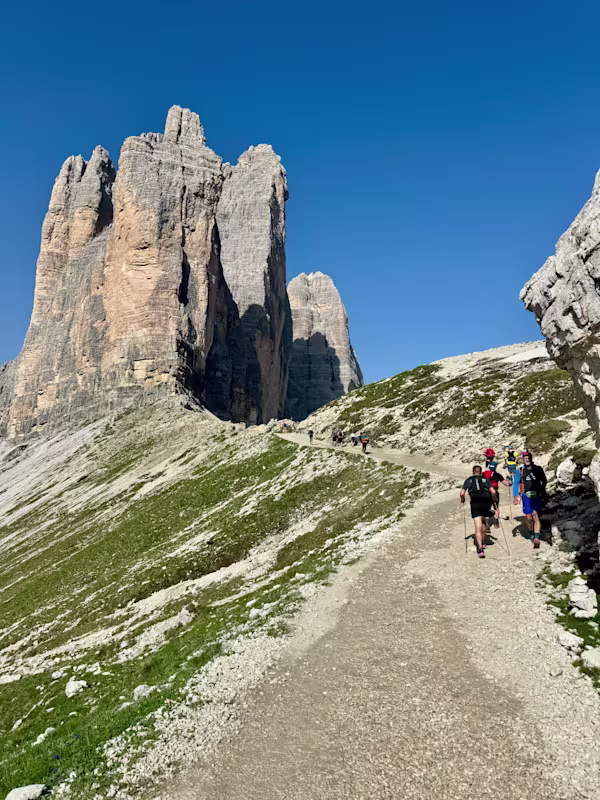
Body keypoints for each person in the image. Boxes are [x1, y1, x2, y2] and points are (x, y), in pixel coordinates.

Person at [460, 465, 497, 558]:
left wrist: (462, 499)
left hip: (475, 504)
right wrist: (494, 499)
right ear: (481, 472)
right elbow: (493, 491)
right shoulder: (485, 480)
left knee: (478, 525)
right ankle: (483, 541)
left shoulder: (469, 480)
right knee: (484, 521)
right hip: (485, 503)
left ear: (473, 472)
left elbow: (462, 493)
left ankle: (480, 548)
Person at [518, 451, 548, 548]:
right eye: (525, 458)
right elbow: (516, 483)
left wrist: (541, 489)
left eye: (528, 458)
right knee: (528, 517)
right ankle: (530, 532)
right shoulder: (521, 470)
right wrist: (516, 495)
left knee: (535, 515)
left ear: (531, 458)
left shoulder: (538, 469)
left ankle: (536, 536)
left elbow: (544, 480)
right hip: (526, 495)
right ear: (523, 460)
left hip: (536, 494)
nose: (527, 460)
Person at [482, 460, 510, 528]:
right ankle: (496, 523)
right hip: (495, 492)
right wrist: (509, 482)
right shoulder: (497, 475)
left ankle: (487, 524)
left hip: (486, 492)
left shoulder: (484, 474)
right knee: (496, 507)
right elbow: (506, 484)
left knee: (486, 508)